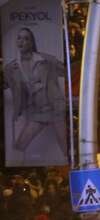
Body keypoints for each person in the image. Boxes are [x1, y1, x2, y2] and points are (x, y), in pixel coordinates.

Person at [2, 27, 67, 161]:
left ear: (32, 43)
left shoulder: (45, 60)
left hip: (55, 108)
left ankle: (74, 168)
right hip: (37, 112)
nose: (22, 41)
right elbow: (7, 85)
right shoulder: (12, 68)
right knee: (19, 145)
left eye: (26, 38)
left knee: (65, 147)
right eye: (19, 38)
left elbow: (68, 72)